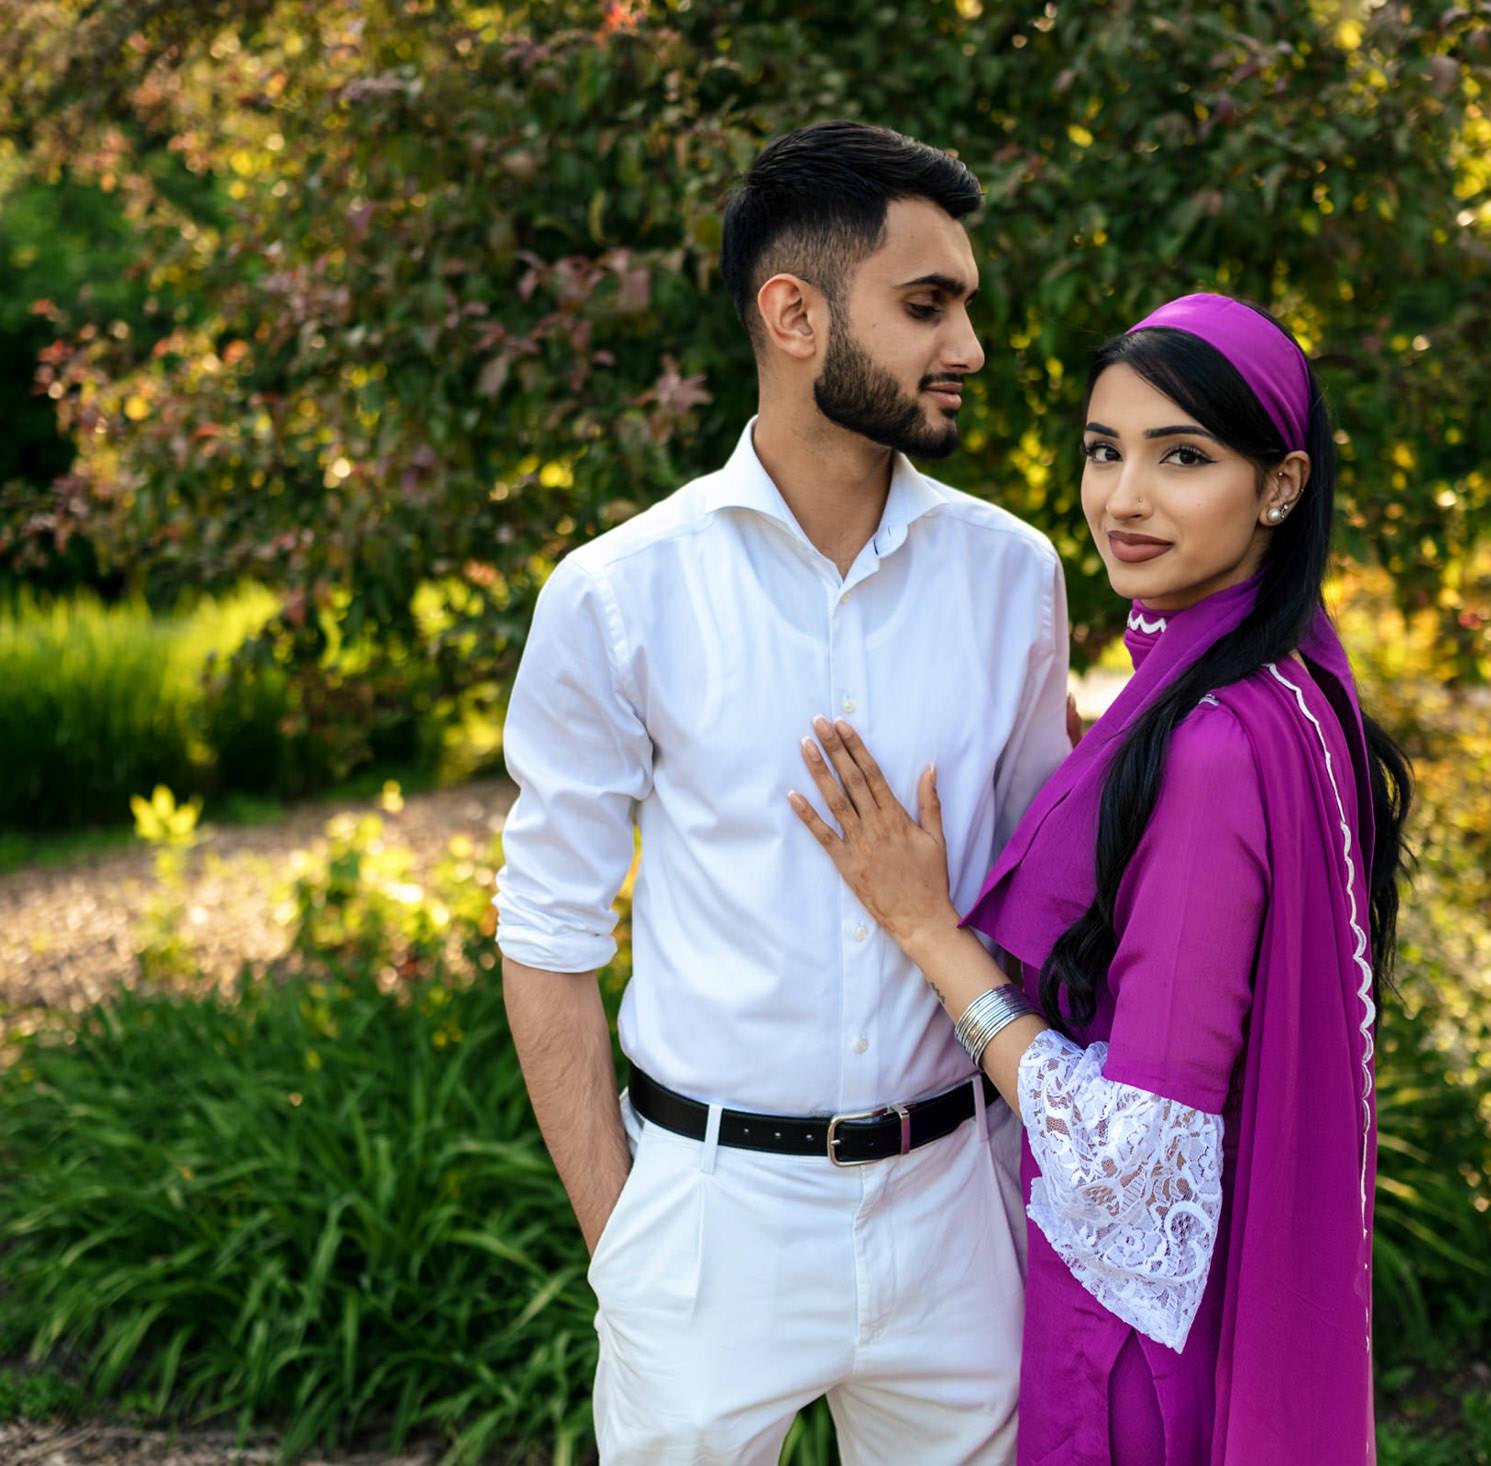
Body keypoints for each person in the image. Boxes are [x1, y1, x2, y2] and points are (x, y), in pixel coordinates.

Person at [493, 120, 1074, 1465]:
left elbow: (1044, 905)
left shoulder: (1014, 577)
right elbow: (546, 931)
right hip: (709, 1220)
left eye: (965, 305)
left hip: (954, 1214)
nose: (969, 345)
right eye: (926, 305)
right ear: (795, 314)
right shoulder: (619, 594)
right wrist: (624, 1238)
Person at [789, 292, 1414, 1465]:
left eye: (1181, 457)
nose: (1123, 498)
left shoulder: (1214, 744)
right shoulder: (1291, 687)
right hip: (1199, 1313)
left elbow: (1135, 1159)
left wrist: (926, 931)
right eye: (1103, 449)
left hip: (1135, 1353)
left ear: (1280, 485)